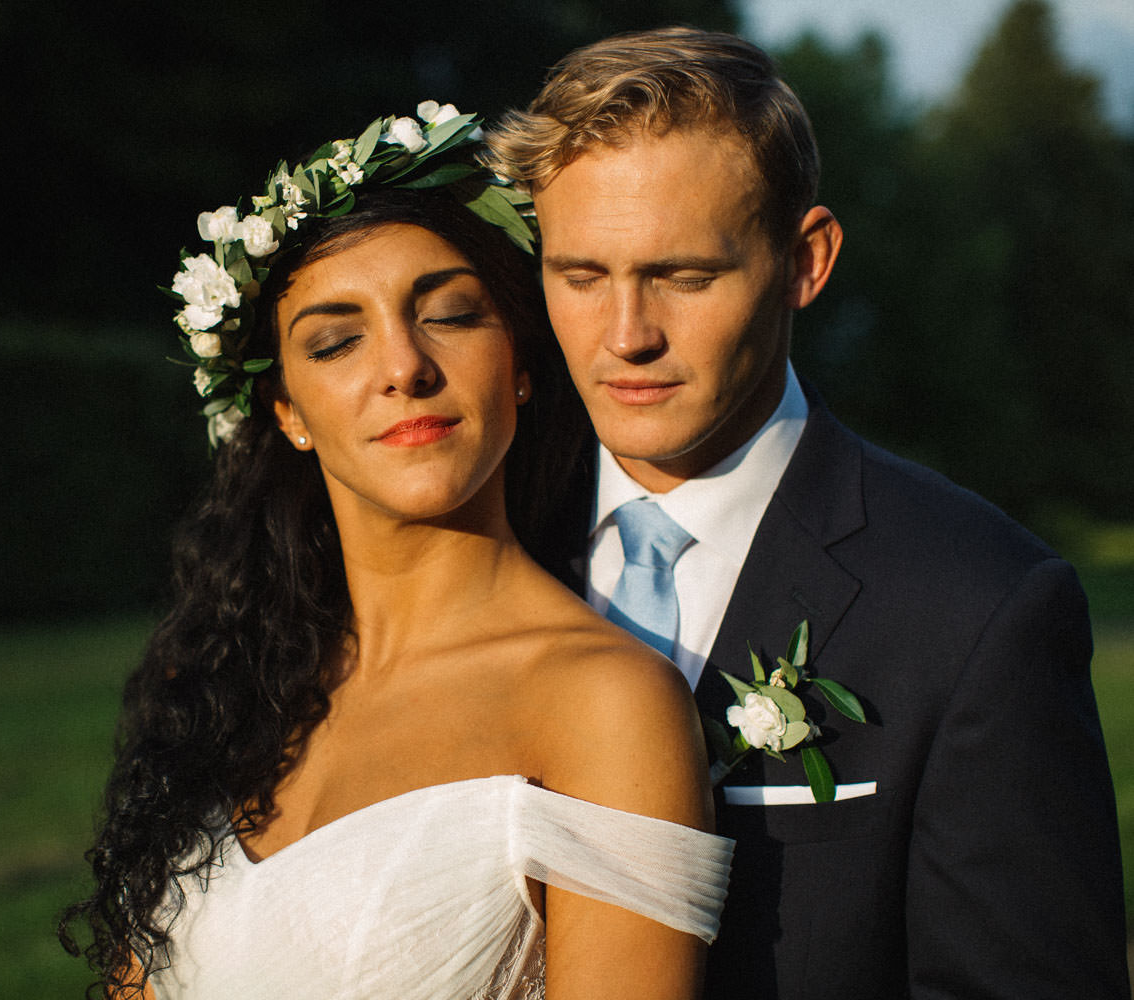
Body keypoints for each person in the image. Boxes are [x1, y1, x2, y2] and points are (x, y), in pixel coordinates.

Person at [483, 26, 1128, 1000]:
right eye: (582, 275)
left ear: (805, 261)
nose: (627, 335)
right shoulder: (478, 542)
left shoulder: (979, 608)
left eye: (683, 275)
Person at [60, 105, 733, 1000]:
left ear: (521, 365)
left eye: (450, 315)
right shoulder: (228, 688)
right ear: (289, 414)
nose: (403, 365)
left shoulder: (606, 704)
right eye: (337, 341)